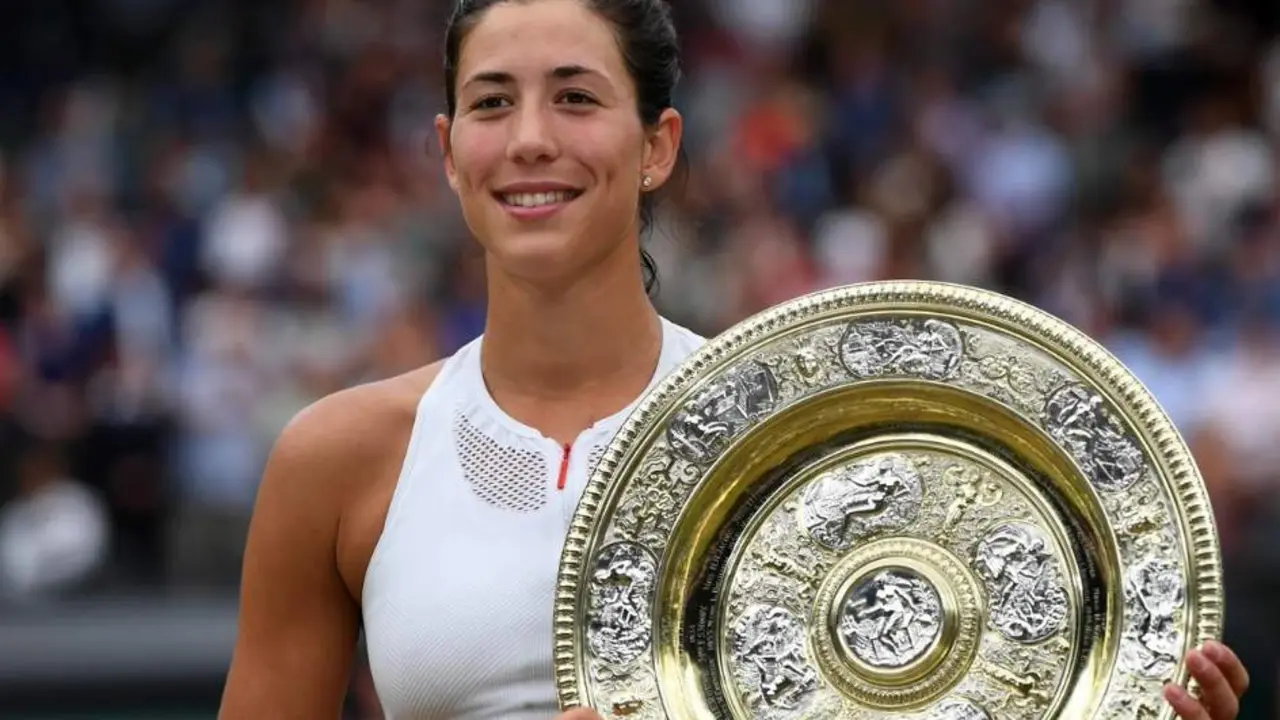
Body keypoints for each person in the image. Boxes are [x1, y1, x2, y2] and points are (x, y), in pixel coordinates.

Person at [216, 0, 1251, 718]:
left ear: (657, 145)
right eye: (492, 102)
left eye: (575, 98)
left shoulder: (805, 440)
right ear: (447, 153)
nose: (529, 139)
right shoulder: (340, 458)